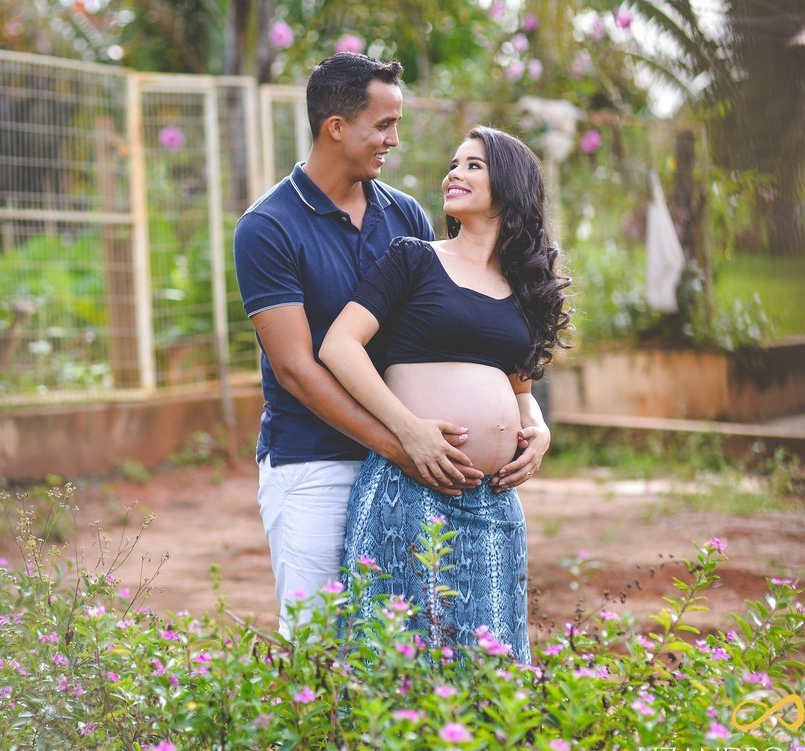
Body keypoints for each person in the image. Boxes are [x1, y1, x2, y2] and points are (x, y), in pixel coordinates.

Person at [234, 52, 491, 638]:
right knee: (321, 641)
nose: (393, 140)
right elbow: (296, 370)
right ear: (336, 126)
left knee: (407, 636)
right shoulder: (268, 227)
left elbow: (436, 330)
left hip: (401, 464)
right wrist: (402, 441)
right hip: (314, 464)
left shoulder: (406, 215)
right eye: (383, 125)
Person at [318, 126, 572, 662]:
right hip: (410, 484)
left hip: (493, 500)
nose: (454, 174)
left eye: (473, 165)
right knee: (399, 653)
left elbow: (519, 389)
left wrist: (538, 430)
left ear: (510, 186)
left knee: (492, 658)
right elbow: (339, 346)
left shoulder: (525, 287)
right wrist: (409, 431)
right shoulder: (413, 259)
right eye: (454, 164)